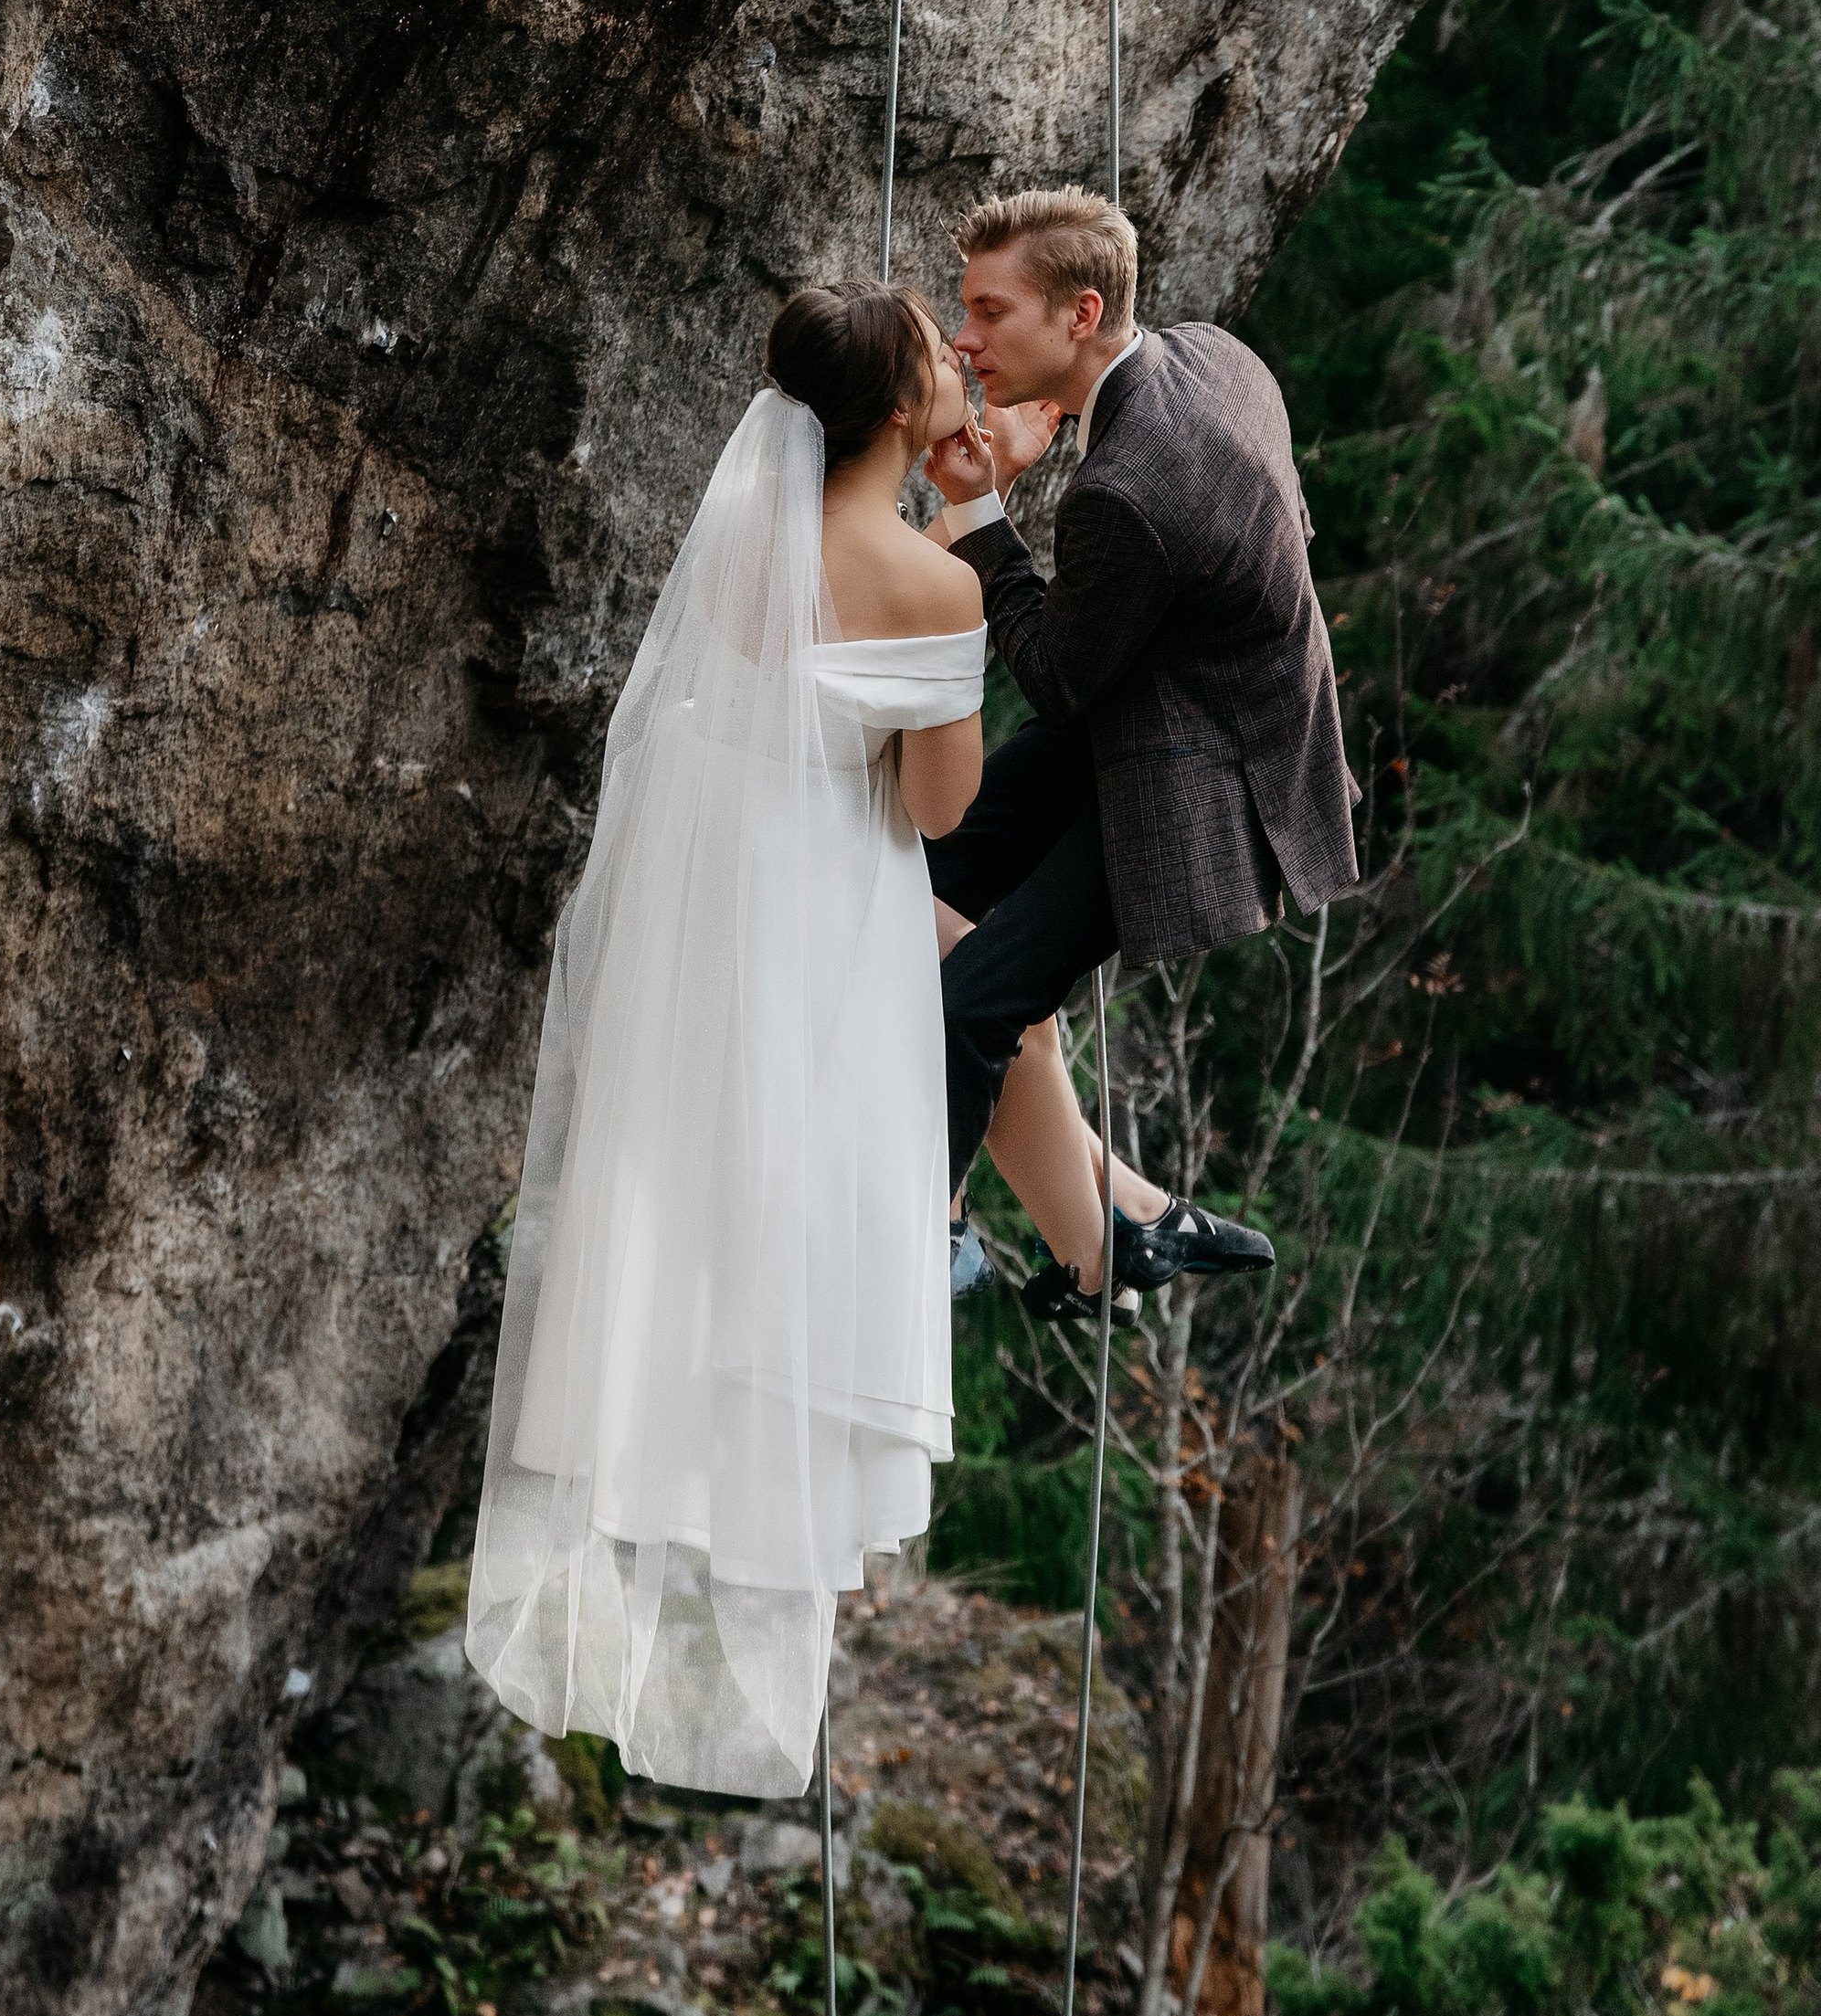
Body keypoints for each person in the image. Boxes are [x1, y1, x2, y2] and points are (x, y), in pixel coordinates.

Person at [466, 283, 985, 1794]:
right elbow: (942, 810)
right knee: (811, 1224)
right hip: (829, 926)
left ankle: (658, 1518)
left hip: (709, 929)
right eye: (942, 355)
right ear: (900, 411)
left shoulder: (741, 543)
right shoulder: (929, 581)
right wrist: (961, 550)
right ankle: (773, 1545)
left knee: (702, 1215)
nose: (960, 363)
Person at [923, 185, 1360, 1321]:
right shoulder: (1214, 355)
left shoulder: (1126, 491)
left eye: (987, 311)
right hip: (1163, 707)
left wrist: (978, 518)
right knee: (920, 882)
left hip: (1201, 781)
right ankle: (1129, 1222)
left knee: (978, 993)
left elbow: (1057, 674)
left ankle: (929, 1238)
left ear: (1079, 314)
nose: (964, 340)